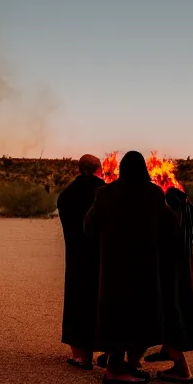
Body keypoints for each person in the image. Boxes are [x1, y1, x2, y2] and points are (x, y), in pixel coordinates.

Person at [84, 151, 181, 384]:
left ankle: (119, 364)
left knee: (116, 311)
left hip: (114, 266)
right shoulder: (153, 193)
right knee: (140, 313)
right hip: (144, 266)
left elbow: (89, 227)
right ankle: (115, 371)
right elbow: (170, 227)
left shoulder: (104, 193)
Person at [146, 186, 193, 384]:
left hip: (169, 271)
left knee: (169, 312)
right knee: (177, 308)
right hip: (184, 268)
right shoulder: (187, 206)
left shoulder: (169, 212)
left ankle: (182, 369)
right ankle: (165, 351)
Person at [57, 154, 106, 369]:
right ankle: (109, 352)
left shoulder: (66, 195)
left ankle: (81, 356)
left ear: (79, 169)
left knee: (78, 302)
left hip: (76, 256)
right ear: (99, 169)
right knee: (103, 302)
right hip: (103, 257)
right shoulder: (105, 193)